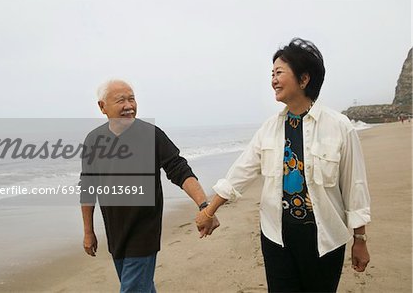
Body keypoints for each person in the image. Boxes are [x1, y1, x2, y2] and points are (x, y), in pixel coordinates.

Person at [196, 38, 371, 292]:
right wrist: (209, 211)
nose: (273, 80)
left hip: (324, 239)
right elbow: (240, 172)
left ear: (303, 79)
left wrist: (360, 239)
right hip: (277, 237)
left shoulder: (340, 127)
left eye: (279, 73)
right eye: (272, 74)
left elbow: (355, 187)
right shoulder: (269, 129)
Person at [80, 79, 219, 293]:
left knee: (133, 289)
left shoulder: (151, 135)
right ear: (102, 107)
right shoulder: (94, 140)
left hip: (144, 231)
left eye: (132, 98)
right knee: (142, 287)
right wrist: (88, 231)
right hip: (115, 233)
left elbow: (179, 169)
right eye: (121, 100)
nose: (129, 105)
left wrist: (204, 206)